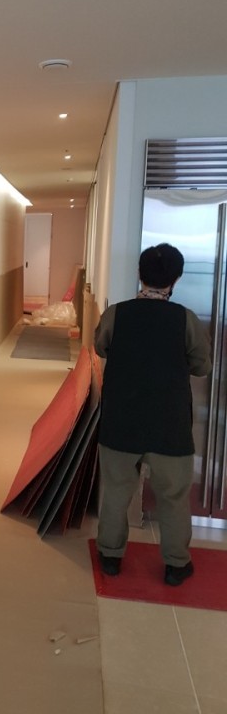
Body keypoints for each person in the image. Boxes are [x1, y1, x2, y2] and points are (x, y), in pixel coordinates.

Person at [94, 243, 211, 586]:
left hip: (120, 421)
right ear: (176, 279)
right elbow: (202, 366)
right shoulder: (185, 319)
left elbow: (101, 347)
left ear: (139, 274)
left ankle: (110, 557)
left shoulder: (116, 314)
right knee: (173, 497)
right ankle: (176, 565)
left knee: (116, 491)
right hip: (170, 426)